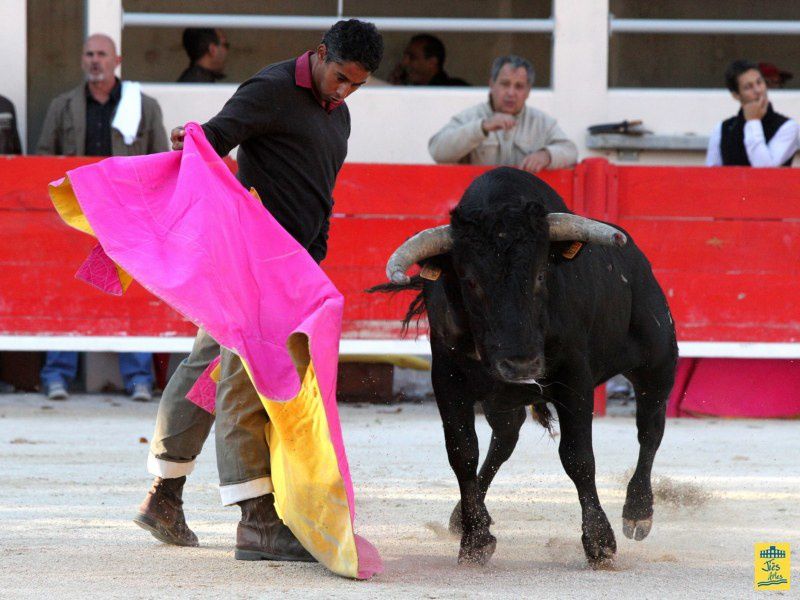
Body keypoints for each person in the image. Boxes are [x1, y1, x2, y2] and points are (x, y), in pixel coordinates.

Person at [133, 19, 383, 562]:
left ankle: (164, 495)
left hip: (290, 269)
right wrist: (190, 143)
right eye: (340, 77)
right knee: (246, 381)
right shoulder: (271, 88)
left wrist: (314, 261)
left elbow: (321, 195)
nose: (344, 92)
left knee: (208, 369)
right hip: (250, 261)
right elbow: (214, 141)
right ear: (320, 54)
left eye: (356, 85)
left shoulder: (338, 118)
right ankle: (256, 521)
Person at [36, 33, 168, 401]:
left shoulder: (143, 106)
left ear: (117, 61)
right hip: (75, 213)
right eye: (89, 54)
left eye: (102, 55)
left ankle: (139, 378)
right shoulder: (62, 106)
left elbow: (159, 160)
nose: (95, 61)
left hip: (126, 213)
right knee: (67, 291)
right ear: (83, 60)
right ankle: (56, 375)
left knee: (128, 291)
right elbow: (44, 158)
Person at [428, 55, 578, 173]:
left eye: (519, 86)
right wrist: (482, 127)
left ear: (528, 92)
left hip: (524, 204)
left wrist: (547, 155)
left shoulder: (541, 122)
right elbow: (437, 151)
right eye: (505, 84)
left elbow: (571, 151)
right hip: (478, 204)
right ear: (491, 85)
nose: (511, 93)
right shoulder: (471, 117)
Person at [706, 60, 799, 167]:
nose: (758, 90)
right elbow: (712, 174)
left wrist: (753, 121)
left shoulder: (787, 127)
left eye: (759, 82)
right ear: (736, 95)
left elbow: (764, 170)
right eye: (748, 87)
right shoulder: (722, 129)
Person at [388, 33, 467, 86]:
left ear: (432, 62)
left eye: (412, 57)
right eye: (404, 57)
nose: (404, 62)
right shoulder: (409, 89)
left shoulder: (456, 90)